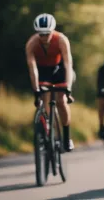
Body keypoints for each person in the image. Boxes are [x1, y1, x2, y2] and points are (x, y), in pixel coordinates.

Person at [25, 13, 75, 152]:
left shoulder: (61, 40)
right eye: (41, 34)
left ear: (52, 31)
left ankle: (66, 137)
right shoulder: (31, 44)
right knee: (44, 99)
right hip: (43, 71)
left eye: (47, 34)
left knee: (61, 101)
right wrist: (36, 91)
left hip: (59, 69)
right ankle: (49, 133)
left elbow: (68, 64)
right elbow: (32, 68)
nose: (44, 37)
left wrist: (68, 87)